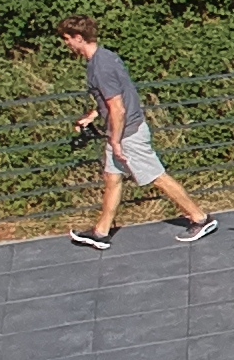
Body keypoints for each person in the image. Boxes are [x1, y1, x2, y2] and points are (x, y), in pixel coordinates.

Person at [61, 16, 217, 246]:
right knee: (112, 178)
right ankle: (101, 232)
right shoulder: (106, 56)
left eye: (67, 39)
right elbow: (116, 96)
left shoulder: (100, 67)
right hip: (122, 130)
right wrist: (94, 115)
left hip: (127, 134)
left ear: (78, 38)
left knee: (157, 177)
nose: (66, 44)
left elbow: (118, 108)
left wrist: (116, 141)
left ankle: (200, 218)